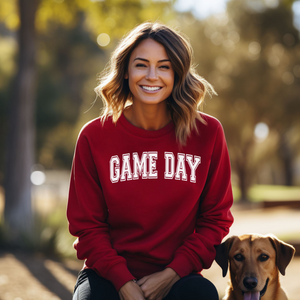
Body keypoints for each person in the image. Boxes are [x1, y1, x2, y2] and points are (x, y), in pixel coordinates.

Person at [67, 21, 234, 300]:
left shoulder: (207, 133)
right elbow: (87, 227)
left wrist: (170, 275)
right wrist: (124, 283)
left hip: (179, 276)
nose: (152, 76)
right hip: (107, 275)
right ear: (126, 72)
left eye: (164, 66)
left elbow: (215, 220)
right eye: (141, 64)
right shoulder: (94, 136)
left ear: (178, 73)